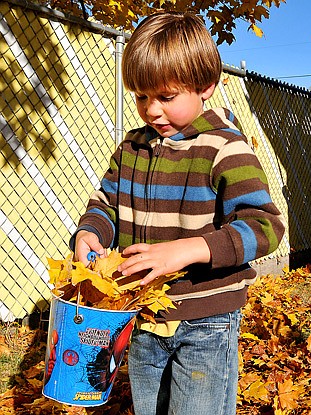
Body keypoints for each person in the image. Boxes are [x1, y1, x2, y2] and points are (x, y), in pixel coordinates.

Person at [70, 12, 285, 415]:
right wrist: (90, 234)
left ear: (206, 86)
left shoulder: (225, 149)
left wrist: (188, 250)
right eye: (140, 96)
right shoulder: (130, 149)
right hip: (142, 314)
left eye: (166, 97)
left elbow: (266, 226)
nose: (151, 110)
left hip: (206, 321)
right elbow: (105, 204)